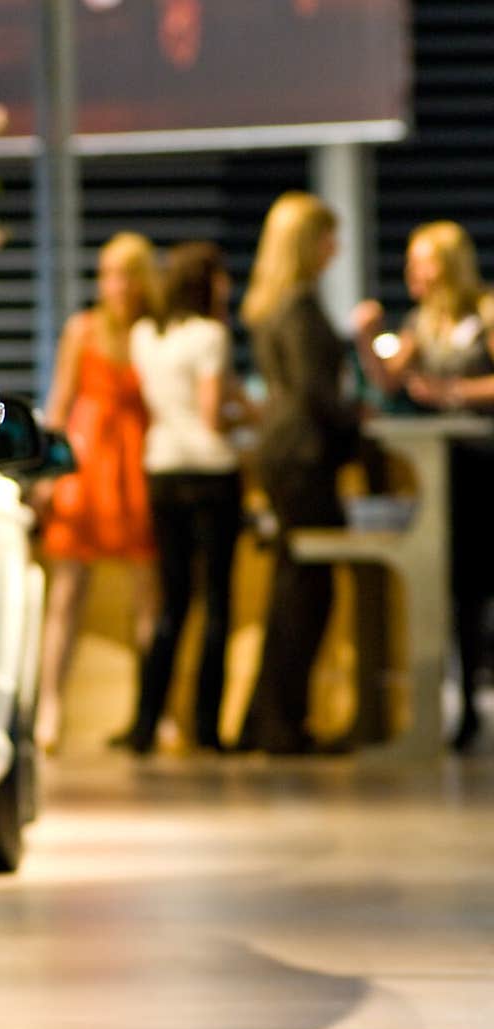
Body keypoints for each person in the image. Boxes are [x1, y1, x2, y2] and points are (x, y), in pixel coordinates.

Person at [353, 220, 494, 752]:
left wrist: (453, 390)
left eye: (423, 260)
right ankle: (463, 710)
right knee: (459, 588)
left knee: (479, 583)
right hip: (445, 470)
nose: (413, 271)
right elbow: (389, 379)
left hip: (486, 464)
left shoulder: (484, 311)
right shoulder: (421, 322)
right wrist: (367, 339)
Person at [237, 191, 362, 755]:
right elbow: (317, 395)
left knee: (295, 590)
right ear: (308, 242)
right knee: (305, 594)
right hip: (303, 458)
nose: (335, 248)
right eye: (328, 236)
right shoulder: (300, 309)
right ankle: (282, 726)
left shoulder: (275, 305)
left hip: (284, 453)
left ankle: (268, 723)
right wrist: (356, 429)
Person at [34, 231, 161, 754]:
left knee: (148, 596)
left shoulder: (153, 333)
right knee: (66, 594)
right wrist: (46, 470)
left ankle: (150, 712)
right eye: (110, 273)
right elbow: (61, 402)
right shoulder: (82, 330)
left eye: (127, 274)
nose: (117, 285)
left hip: (136, 466)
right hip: (88, 466)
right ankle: (48, 706)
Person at [120, 240, 242, 753]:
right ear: (207, 282)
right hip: (211, 470)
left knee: (172, 602)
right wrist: (247, 416)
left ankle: (145, 724)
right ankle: (208, 729)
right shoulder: (212, 335)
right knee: (216, 601)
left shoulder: (145, 334)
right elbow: (213, 413)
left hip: (162, 467)